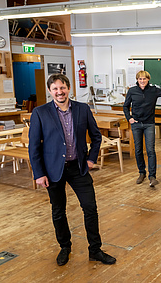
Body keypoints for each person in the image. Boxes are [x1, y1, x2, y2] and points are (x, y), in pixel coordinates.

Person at [28, 74, 116, 266]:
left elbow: (96, 136)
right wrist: (39, 173)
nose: (60, 92)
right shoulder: (40, 112)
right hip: (53, 170)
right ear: (50, 91)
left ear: (69, 88)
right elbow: (33, 146)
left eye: (62, 88)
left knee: (90, 208)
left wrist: (91, 159)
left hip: (79, 168)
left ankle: (95, 250)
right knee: (58, 211)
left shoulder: (82, 109)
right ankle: (65, 247)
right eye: (55, 89)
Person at [123, 71, 161, 187]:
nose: (142, 81)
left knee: (151, 150)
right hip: (136, 124)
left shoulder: (153, 90)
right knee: (138, 150)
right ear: (137, 80)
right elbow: (125, 106)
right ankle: (141, 173)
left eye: (144, 79)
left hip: (149, 124)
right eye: (140, 79)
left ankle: (152, 176)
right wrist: (129, 118)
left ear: (148, 79)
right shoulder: (132, 91)